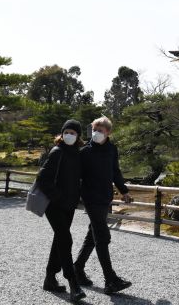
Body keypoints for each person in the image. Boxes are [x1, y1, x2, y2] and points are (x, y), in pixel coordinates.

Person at [74, 116, 132, 295]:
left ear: (108, 132)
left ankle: (77, 269)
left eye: (100, 130)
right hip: (91, 198)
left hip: (105, 197)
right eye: (94, 129)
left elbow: (115, 171)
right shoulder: (84, 152)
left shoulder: (112, 150)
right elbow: (76, 176)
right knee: (102, 236)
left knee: (92, 236)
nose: (96, 133)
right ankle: (110, 279)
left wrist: (124, 190)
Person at [36, 119, 86, 302]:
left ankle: (50, 278)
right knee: (66, 239)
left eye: (73, 133)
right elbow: (42, 178)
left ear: (78, 136)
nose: (69, 135)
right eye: (67, 132)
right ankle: (73, 283)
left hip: (69, 206)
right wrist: (56, 196)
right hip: (54, 205)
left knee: (60, 239)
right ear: (62, 133)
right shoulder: (57, 151)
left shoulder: (77, 154)